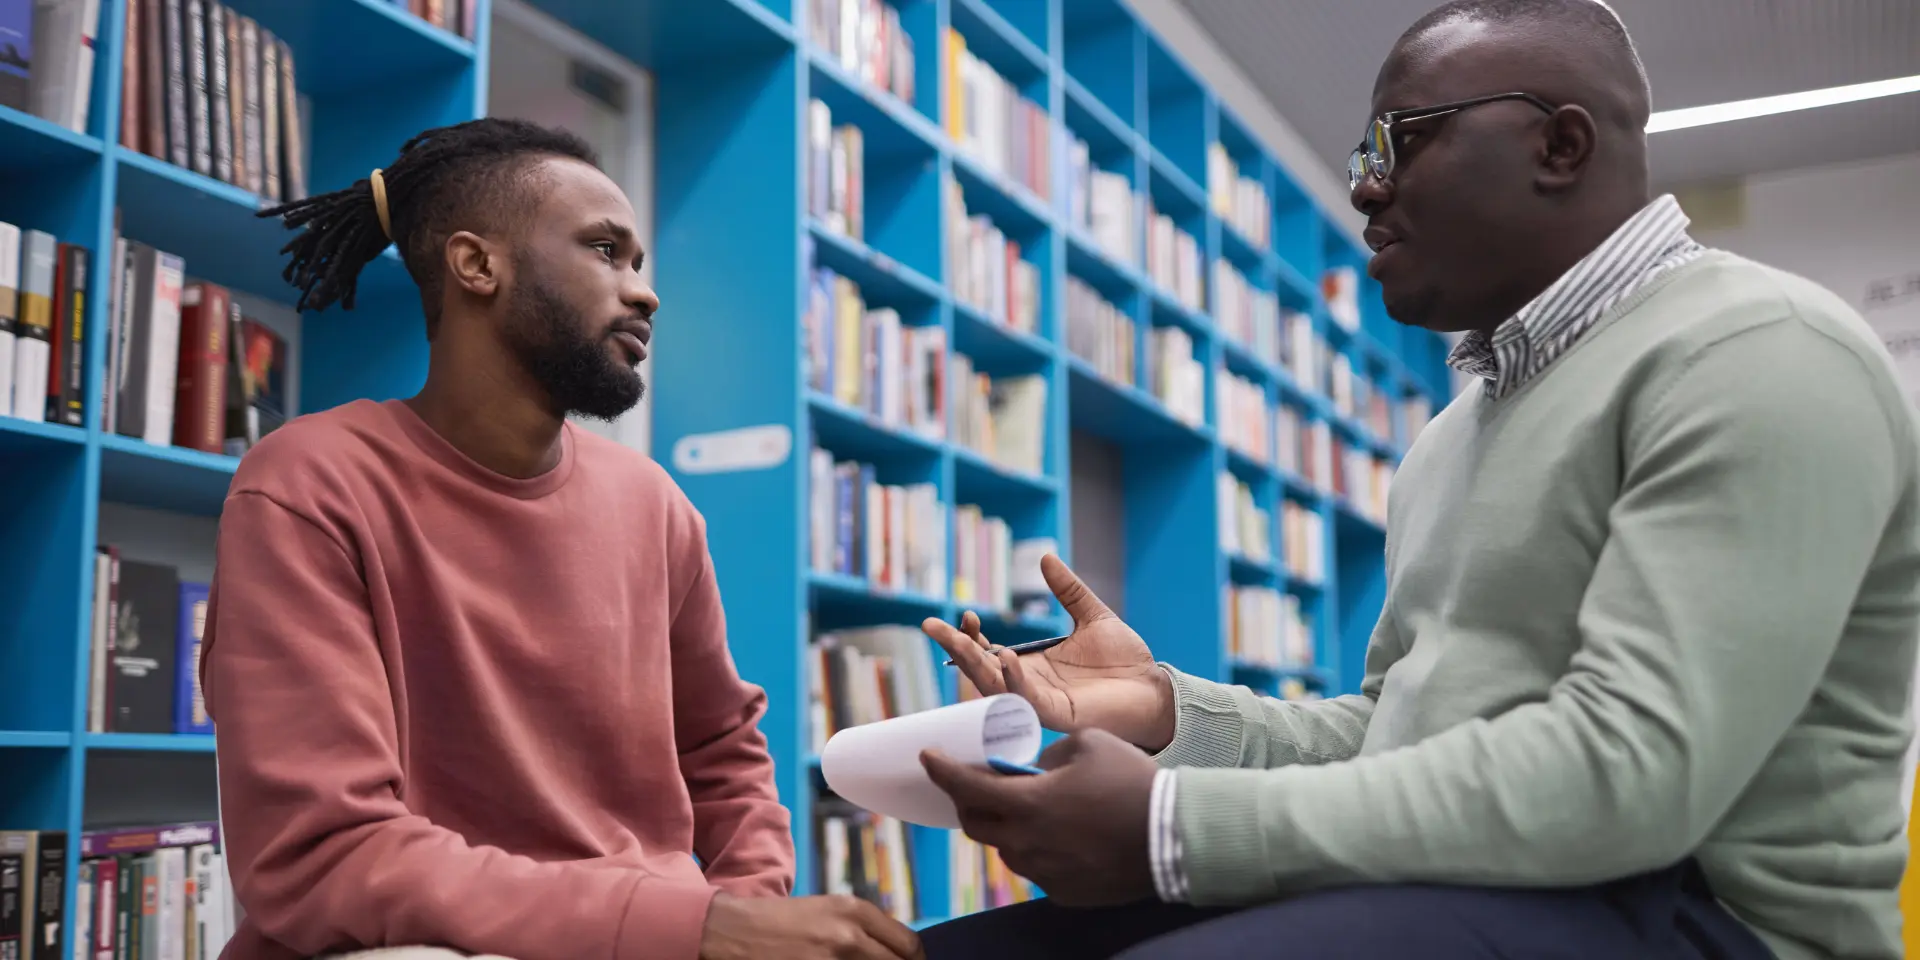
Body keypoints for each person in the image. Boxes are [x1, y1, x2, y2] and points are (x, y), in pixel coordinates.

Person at [914, 2, 1920, 958]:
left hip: (1706, 922)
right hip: (1485, 889)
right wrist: (1160, 711)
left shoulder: (1756, 353)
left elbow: (1630, 775)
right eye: (1364, 156)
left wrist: (1178, 826)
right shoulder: (1449, 439)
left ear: (1559, 147)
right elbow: (1392, 735)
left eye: (1401, 141)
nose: (1364, 187)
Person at [203, 118, 924, 960]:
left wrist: (743, 910)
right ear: (478, 265)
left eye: (639, 264)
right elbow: (321, 858)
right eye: (605, 251)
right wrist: (690, 928)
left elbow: (725, 760)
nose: (644, 291)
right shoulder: (307, 483)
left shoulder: (654, 505)